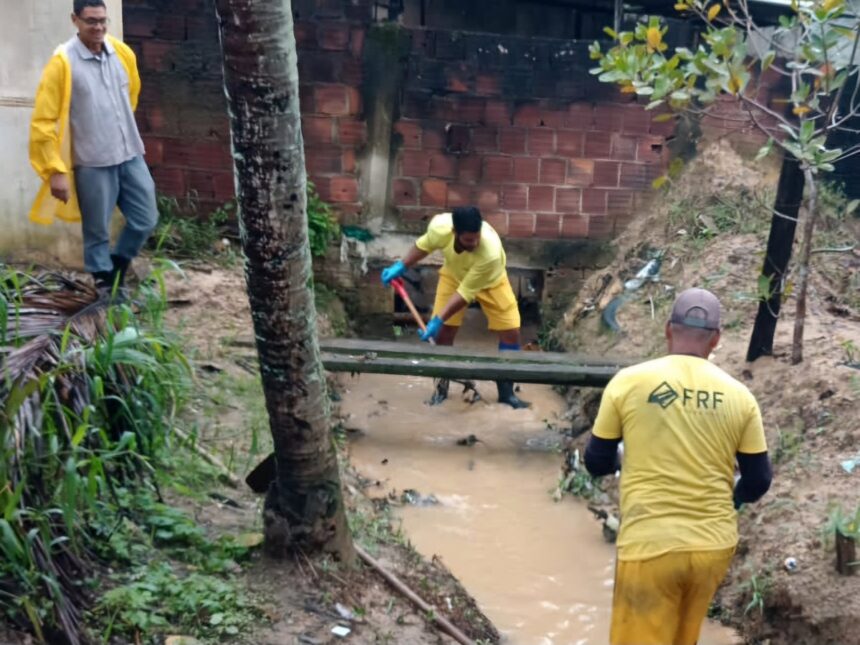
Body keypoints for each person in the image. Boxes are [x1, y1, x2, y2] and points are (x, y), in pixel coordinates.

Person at [584, 287, 772, 645]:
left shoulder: (628, 383)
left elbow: (596, 462)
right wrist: (734, 493)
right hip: (711, 549)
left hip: (650, 548)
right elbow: (759, 480)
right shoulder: (740, 397)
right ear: (715, 339)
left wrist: (626, 457)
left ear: (669, 329)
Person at [29, 0, 158, 295]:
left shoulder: (121, 53)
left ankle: (117, 266)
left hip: (129, 153)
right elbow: (44, 121)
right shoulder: (62, 62)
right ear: (75, 20)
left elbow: (132, 94)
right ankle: (106, 289)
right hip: (92, 161)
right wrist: (55, 170)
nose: (98, 27)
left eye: (102, 20)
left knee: (146, 218)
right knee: (97, 231)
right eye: (91, 21)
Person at [381, 206, 529, 408]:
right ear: (454, 233)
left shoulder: (490, 252)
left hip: (492, 281)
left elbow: (466, 292)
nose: (475, 243)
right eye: (469, 240)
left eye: (477, 238)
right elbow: (423, 246)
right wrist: (402, 266)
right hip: (453, 275)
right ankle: (441, 390)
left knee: (511, 331)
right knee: (443, 335)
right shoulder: (440, 227)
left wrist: (437, 319)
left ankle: (506, 394)